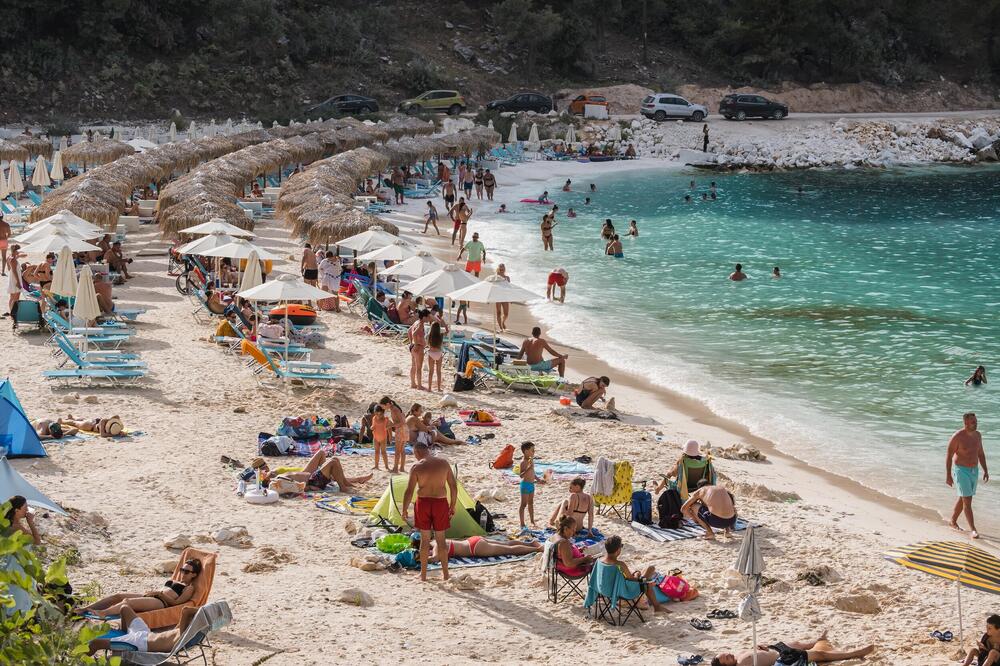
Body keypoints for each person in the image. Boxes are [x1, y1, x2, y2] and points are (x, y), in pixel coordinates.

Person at [401, 442, 458, 581]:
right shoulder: (444, 463)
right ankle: (445, 574)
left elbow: (409, 491)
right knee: (441, 540)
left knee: (425, 540)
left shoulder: (416, 467)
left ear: (416, 452)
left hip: (423, 503)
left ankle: (424, 575)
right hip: (440, 502)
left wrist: (404, 509)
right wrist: (453, 505)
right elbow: (453, 486)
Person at [78, 558, 203, 618]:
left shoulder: (189, 587)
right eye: (182, 569)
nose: (183, 573)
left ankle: (103, 613)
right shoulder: (176, 579)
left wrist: (160, 594)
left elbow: (176, 603)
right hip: (153, 596)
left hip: (161, 602)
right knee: (119, 596)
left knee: (127, 602)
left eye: (186, 572)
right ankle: (85, 609)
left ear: (194, 575)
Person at [711, 630, 874, 666]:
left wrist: (758, 645)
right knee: (819, 654)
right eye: (726, 658)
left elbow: (753, 650)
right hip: (783, 659)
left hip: (775, 649)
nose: (729, 655)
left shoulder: (739, 655)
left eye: (726, 653)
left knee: (796, 642)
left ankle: (818, 639)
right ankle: (855, 654)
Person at [88, 605, 200, 656]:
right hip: (145, 633)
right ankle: (122, 640)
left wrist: (203, 610)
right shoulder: (183, 631)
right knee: (124, 608)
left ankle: (76, 661)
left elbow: (186, 610)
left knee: (94, 643)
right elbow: (184, 618)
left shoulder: (183, 636)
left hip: (140, 643)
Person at [599, 535, 668, 614]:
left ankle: (657, 607)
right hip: (622, 592)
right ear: (618, 550)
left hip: (606, 590)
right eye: (621, 546)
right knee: (648, 579)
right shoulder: (620, 564)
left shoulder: (600, 562)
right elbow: (632, 579)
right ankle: (657, 607)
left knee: (647, 572)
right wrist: (637, 575)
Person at [946, 412, 989, 539]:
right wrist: (948, 475)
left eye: (976, 421)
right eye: (973, 422)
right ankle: (973, 530)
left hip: (974, 471)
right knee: (967, 500)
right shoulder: (957, 437)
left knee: (964, 498)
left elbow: (980, 453)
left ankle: (953, 521)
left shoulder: (978, 436)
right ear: (965, 423)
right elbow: (949, 456)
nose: (976, 424)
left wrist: (985, 470)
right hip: (961, 471)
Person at [262, 449, 372, 492]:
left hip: (312, 477)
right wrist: (309, 487)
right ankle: (343, 487)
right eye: (268, 476)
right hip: (313, 481)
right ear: (268, 481)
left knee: (335, 459)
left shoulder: (277, 477)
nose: (269, 473)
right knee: (333, 461)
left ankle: (345, 483)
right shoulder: (275, 483)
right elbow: (294, 487)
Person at [417, 532, 542, 562]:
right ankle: (531, 543)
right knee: (507, 544)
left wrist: (418, 559)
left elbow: (435, 558)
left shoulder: (437, 546)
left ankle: (537, 549)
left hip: (474, 548)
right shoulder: (436, 541)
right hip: (473, 540)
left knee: (508, 550)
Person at [519, 441, 544, 527]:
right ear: (526, 451)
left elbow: (533, 473)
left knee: (531, 503)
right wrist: (528, 468)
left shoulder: (531, 460)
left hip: (531, 485)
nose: (534, 452)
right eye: (532, 450)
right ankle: (522, 523)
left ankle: (532, 520)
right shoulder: (523, 462)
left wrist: (539, 480)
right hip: (525, 485)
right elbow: (521, 475)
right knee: (523, 504)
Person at [380, 396, 408, 473]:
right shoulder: (394, 408)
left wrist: (390, 426)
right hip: (404, 429)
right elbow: (402, 420)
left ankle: (396, 468)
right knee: (402, 450)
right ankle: (401, 468)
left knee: (397, 451)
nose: (382, 408)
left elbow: (402, 422)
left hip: (401, 430)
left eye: (383, 406)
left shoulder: (394, 409)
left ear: (387, 404)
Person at [408, 309, 429, 390]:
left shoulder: (416, 322)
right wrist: (416, 344)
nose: (428, 319)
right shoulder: (421, 324)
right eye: (427, 317)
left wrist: (411, 343)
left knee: (413, 366)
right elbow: (414, 333)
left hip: (413, 346)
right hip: (418, 347)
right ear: (424, 317)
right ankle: (419, 385)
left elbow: (409, 331)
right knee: (419, 367)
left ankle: (413, 383)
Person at [426, 322, 444, 391]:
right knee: (438, 372)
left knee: (431, 372)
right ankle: (439, 388)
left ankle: (429, 388)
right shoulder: (441, 335)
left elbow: (427, 344)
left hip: (431, 353)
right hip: (439, 353)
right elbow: (441, 344)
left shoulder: (429, 335)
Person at [494, 264, 511, 331]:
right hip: (497, 297)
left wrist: (511, 298)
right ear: (498, 270)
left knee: (506, 314)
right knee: (498, 313)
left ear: (504, 270)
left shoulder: (507, 278)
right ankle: (500, 327)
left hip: (505, 297)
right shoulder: (495, 277)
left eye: (503, 269)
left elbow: (509, 288)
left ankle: (503, 322)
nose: (501, 271)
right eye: (500, 269)